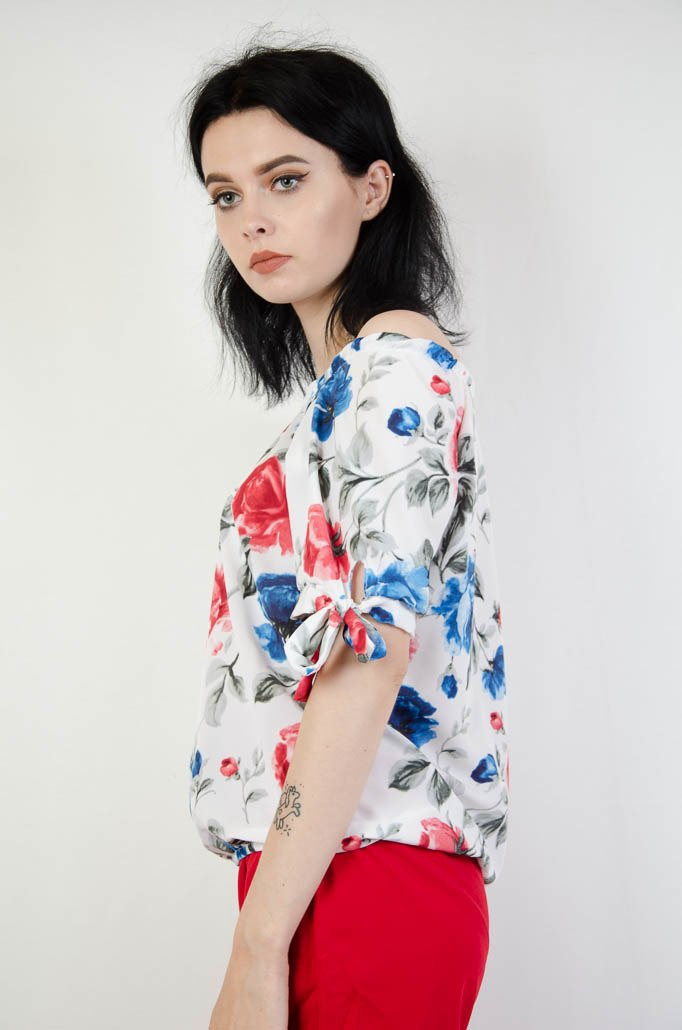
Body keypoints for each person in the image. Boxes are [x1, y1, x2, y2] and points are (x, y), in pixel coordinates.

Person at [183, 36, 510, 1030]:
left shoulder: (392, 371)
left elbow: (366, 659)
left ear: (372, 187)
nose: (251, 219)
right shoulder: (348, 389)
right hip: (324, 871)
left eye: (285, 179)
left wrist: (258, 946)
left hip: (364, 877)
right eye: (226, 194)